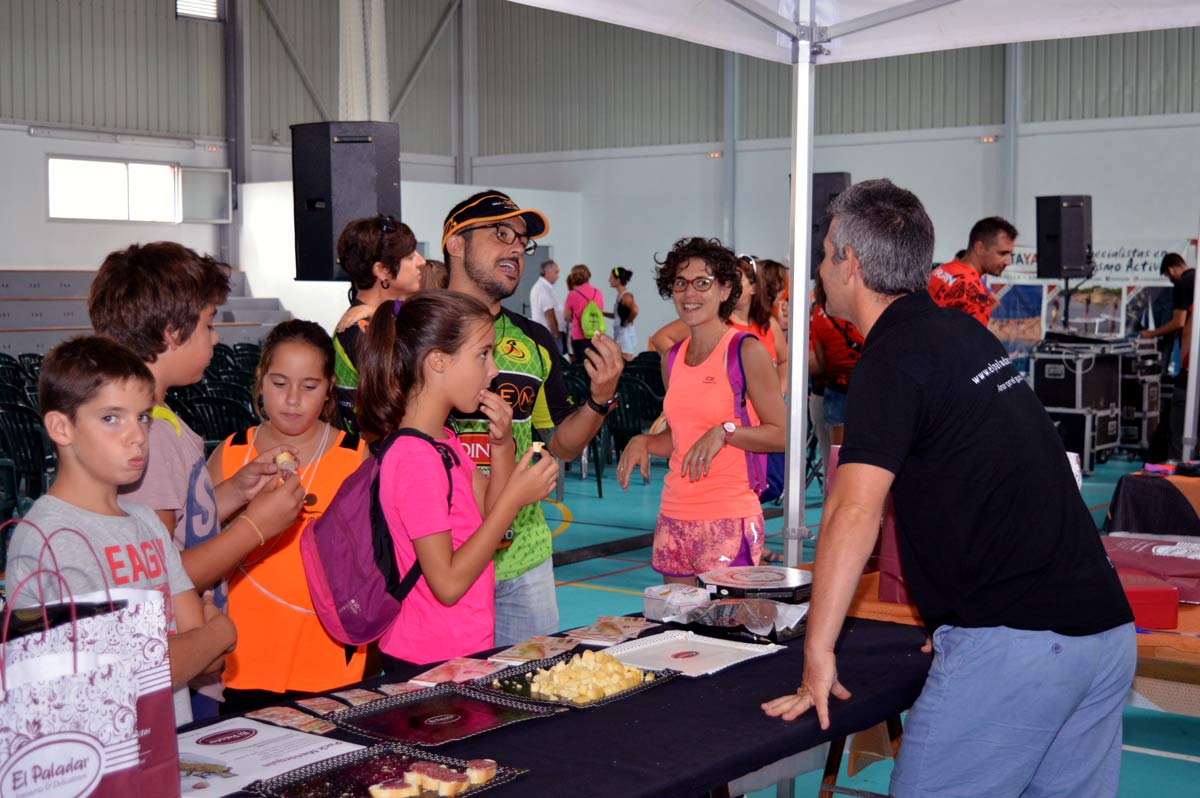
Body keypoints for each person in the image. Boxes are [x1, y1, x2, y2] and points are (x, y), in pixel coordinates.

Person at [762, 180, 1134, 798]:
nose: (821, 271)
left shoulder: (892, 357)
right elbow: (989, 474)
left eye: (827, 253)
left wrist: (818, 652)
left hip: (1022, 646)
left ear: (849, 262)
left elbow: (853, 509)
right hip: (1101, 634)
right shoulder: (963, 335)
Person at [88, 242, 306, 719]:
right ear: (172, 333)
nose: (214, 339)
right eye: (208, 325)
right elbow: (159, 573)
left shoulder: (156, 420)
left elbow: (178, 519)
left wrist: (234, 491)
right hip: (171, 663)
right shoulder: (149, 437)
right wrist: (256, 528)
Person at [6, 336, 237, 727]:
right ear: (61, 428)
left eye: (142, 416)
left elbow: (206, 664)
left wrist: (199, 647)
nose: (137, 436)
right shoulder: (51, 539)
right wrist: (221, 632)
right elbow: (123, 678)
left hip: (167, 752)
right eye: (112, 418)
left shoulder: (146, 523)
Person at [441, 189, 624, 645]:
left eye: (521, 241)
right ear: (456, 243)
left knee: (534, 698)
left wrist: (599, 399)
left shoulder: (534, 339)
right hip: (439, 559)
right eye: (500, 234)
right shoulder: (415, 332)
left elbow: (560, 442)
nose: (516, 250)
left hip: (525, 560)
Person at [356, 291, 559, 668]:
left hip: (461, 646)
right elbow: (447, 584)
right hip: (427, 656)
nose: (494, 370)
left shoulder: (444, 441)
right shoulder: (415, 458)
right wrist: (515, 496)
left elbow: (492, 527)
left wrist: (501, 449)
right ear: (438, 361)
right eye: (482, 354)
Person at [207, 321, 368, 714]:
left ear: (330, 387)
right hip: (243, 658)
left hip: (328, 656)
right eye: (280, 384)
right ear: (260, 380)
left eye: (309, 387)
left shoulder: (356, 457)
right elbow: (197, 558)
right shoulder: (230, 455)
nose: (293, 400)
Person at [617, 237, 786, 584]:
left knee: (726, 629)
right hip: (675, 515)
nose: (689, 293)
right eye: (680, 283)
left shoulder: (745, 351)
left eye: (702, 283)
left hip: (728, 517)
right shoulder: (672, 358)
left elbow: (781, 435)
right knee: (676, 626)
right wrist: (645, 442)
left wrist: (726, 432)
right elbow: (681, 439)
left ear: (725, 290)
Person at [331, 215, 426, 436]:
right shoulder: (361, 330)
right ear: (382, 271)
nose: (421, 261)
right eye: (411, 257)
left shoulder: (382, 319)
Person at [1141, 253, 1195, 461]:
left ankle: (1175, 466)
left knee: (1178, 417)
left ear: (1171, 269)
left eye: (1167, 275)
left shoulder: (1183, 283)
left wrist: (1150, 334)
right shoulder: (1197, 280)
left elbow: (1180, 323)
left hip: (1190, 365)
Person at [809, 272, 864, 464]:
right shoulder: (861, 310)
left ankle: (833, 492)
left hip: (834, 388)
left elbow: (821, 363)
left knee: (836, 459)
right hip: (864, 388)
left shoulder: (818, 314)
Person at [927, 217, 1018, 327]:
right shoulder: (977, 296)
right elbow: (974, 343)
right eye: (1002, 253)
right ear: (980, 248)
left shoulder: (942, 270)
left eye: (1010, 254)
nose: (1008, 261)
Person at [563, 264, 605, 364]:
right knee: (595, 364)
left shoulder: (572, 294)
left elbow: (566, 316)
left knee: (581, 365)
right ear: (588, 276)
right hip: (596, 334)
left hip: (578, 336)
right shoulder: (597, 292)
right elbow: (600, 312)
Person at [529, 259, 564, 352]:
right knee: (556, 363)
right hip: (549, 335)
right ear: (547, 272)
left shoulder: (543, 287)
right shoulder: (542, 288)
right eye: (556, 272)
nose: (558, 276)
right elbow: (549, 312)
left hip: (546, 334)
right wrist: (556, 335)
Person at [606, 267, 639, 359]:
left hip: (625, 336)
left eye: (611, 277)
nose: (609, 280)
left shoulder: (626, 296)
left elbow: (635, 310)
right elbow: (617, 316)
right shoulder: (620, 295)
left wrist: (628, 321)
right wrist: (602, 313)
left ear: (618, 280)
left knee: (626, 362)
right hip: (620, 334)